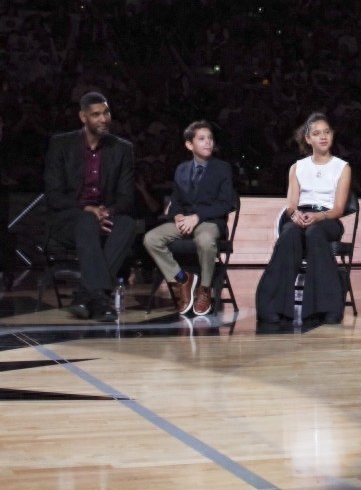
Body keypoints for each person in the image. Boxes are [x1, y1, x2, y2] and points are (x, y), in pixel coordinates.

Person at [43, 92, 134, 322]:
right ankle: (101, 300)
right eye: (96, 115)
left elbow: (126, 198)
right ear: (83, 117)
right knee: (86, 221)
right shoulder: (61, 144)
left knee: (128, 224)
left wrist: (105, 213)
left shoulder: (122, 149)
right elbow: (53, 196)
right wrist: (87, 211)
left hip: (104, 218)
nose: (103, 119)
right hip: (69, 220)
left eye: (106, 113)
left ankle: (86, 295)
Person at [255, 113, 352, 325]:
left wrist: (319, 216)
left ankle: (327, 308)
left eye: (327, 132)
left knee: (315, 232)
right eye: (317, 134)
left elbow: (338, 208)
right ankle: (272, 306)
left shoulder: (342, 167)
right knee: (289, 233)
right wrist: (295, 214)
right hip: (302, 214)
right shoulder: (297, 167)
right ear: (308, 139)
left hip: (327, 218)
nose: (323, 137)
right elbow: (291, 205)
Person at [142, 121, 234, 317]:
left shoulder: (222, 168)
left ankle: (205, 289)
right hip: (185, 222)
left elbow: (226, 204)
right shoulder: (181, 169)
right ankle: (183, 279)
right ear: (189, 145)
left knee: (205, 240)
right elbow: (176, 201)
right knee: (151, 238)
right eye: (202, 139)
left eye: (210, 138)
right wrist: (177, 215)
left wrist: (197, 217)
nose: (208, 142)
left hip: (210, 221)